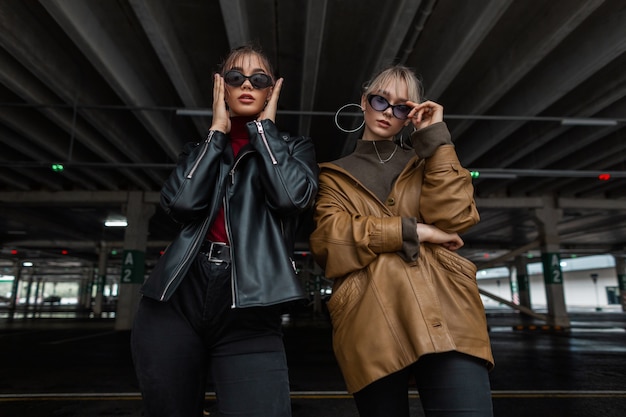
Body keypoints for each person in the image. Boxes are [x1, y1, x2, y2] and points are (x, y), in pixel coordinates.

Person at [131, 45, 319, 417]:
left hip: (250, 307)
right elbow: (181, 205)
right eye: (235, 77)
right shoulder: (197, 151)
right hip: (175, 301)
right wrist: (217, 132)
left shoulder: (295, 149)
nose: (246, 84)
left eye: (258, 79)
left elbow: (291, 199)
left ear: (271, 90)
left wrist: (264, 131)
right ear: (222, 88)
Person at [309, 65, 494, 417]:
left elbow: (455, 218)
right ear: (365, 102)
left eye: (401, 108)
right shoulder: (333, 176)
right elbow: (329, 244)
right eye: (381, 100)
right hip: (370, 319)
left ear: (410, 116)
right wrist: (416, 231)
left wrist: (436, 138)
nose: (387, 113)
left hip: (448, 312)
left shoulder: (428, 162)